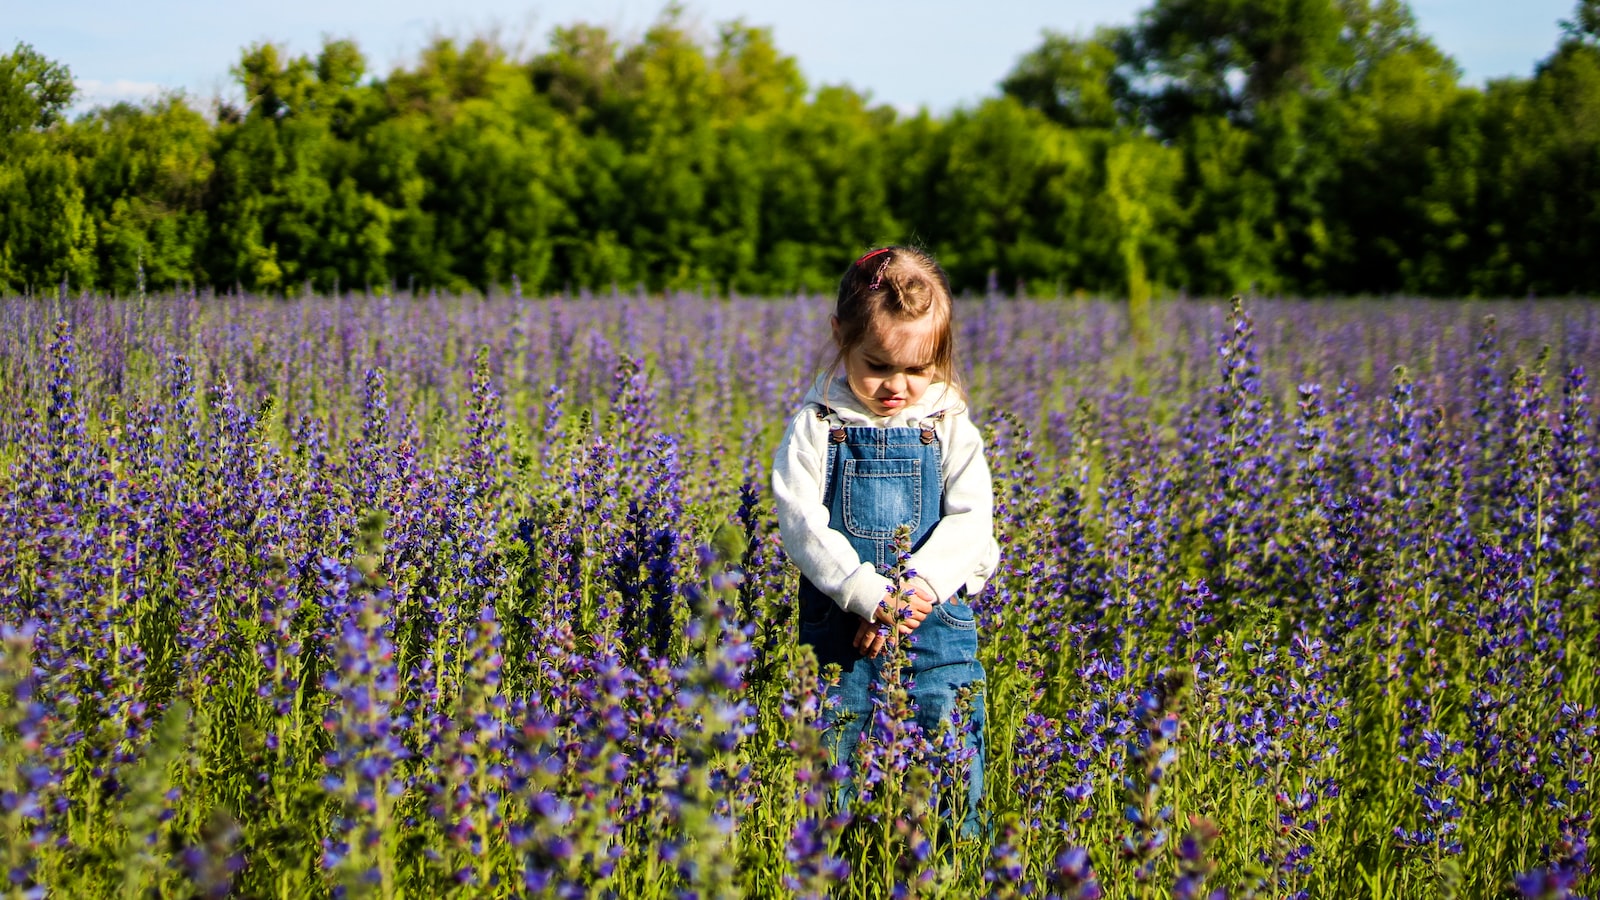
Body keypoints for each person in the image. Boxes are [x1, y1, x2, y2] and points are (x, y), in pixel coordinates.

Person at [771, 245, 1000, 837]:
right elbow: (800, 522)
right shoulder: (819, 423)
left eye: (919, 369)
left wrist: (917, 587)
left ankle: (953, 866)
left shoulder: (948, 423)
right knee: (837, 765)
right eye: (877, 365)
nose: (898, 387)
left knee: (948, 755)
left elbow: (973, 519)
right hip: (846, 633)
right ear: (840, 336)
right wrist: (868, 593)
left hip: (934, 621)